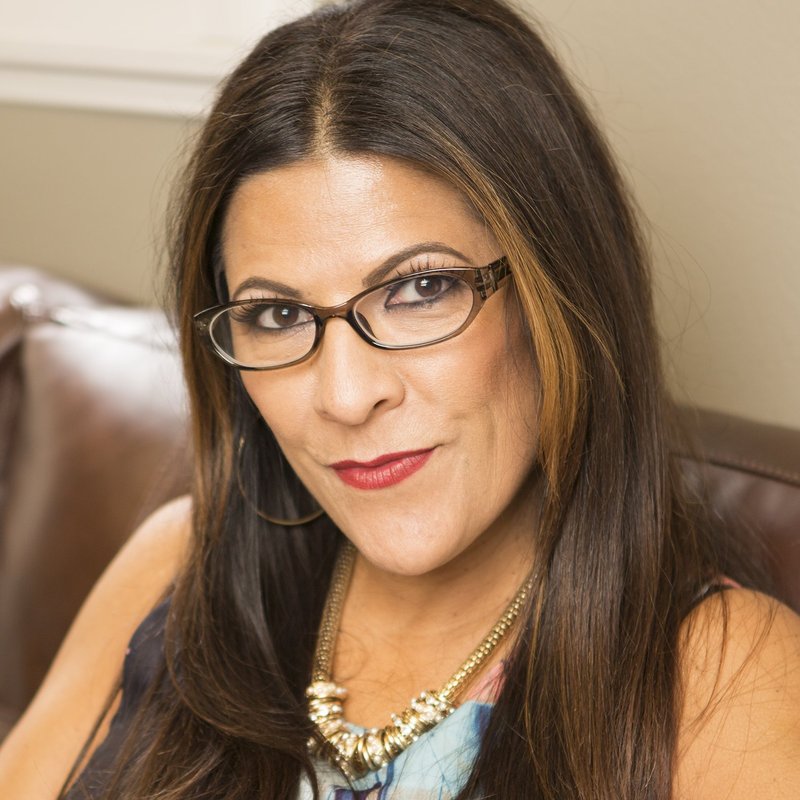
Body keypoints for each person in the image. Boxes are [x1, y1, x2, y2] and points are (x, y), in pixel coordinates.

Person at [2, 0, 799, 797]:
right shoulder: (177, 565)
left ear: (558, 294)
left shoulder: (725, 674)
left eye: (420, 289)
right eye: (277, 316)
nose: (347, 397)